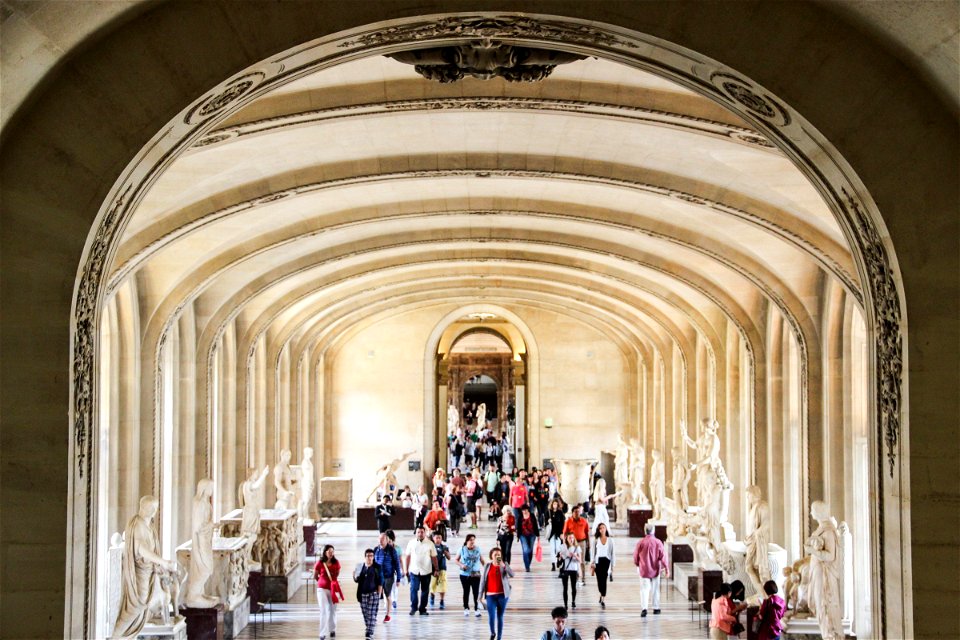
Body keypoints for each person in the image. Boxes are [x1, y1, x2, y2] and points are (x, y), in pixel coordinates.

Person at [479, 547, 515, 640]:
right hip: (490, 596)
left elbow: (512, 574)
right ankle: (492, 633)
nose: (497, 556)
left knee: (500, 616)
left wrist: (503, 565)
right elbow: (482, 582)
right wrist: (479, 596)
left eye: (499, 554)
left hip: (503, 595)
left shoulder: (504, 565)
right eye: (495, 554)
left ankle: (499, 637)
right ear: (491, 556)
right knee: (491, 616)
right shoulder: (487, 566)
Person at [633, 521, 667, 616]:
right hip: (656, 568)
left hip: (643, 569)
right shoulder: (658, 542)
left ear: (645, 531)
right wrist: (666, 568)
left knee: (644, 588)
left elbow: (635, 556)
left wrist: (637, 564)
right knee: (655, 588)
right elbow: (663, 556)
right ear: (653, 531)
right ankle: (656, 608)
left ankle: (644, 608)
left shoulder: (641, 542)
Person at [403, 526, 439, 616]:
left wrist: (437, 569)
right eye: (418, 532)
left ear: (425, 533)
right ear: (416, 533)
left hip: (426, 571)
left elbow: (434, 557)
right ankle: (413, 608)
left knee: (425, 591)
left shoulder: (430, 543)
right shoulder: (411, 543)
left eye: (422, 532)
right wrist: (405, 569)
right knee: (413, 589)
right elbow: (407, 556)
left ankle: (422, 609)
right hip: (414, 571)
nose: (420, 534)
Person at [353, 548, 383, 640]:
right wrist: (353, 576)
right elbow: (357, 580)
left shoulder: (377, 567)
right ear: (365, 557)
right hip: (362, 594)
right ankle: (369, 627)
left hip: (373, 594)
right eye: (368, 556)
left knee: (371, 613)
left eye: (371, 556)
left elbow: (381, 581)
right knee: (365, 614)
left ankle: (369, 632)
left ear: (373, 557)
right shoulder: (360, 567)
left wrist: (379, 594)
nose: (370, 558)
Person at [313, 544, 341, 640]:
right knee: (324, 610)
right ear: (325, 552)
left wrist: (332, 582)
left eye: (332, 552)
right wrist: (322, 582)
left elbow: (337, 574)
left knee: (333, 610)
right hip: (322, 589)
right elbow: (315, 575)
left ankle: (332, 629)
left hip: (333, 589)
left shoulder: (336, 562)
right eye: (329, 552)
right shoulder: (320, 563)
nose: (331, 553)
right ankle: (322, 633)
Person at [374, 532, 401, 622]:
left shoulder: (392, 550)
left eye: (382, 539)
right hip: (378, 576)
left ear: (386, 540)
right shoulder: (376, 549)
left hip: (388, 576)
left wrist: (398, 578)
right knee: (376, 595)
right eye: (379, 539)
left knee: (387, 595)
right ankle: (374, 614)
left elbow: (397, 564)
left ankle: (388, 615)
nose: (381, 541)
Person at [455, 533, 485, 617]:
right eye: (471, 540)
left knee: (476, 592)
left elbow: (482, 560)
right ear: (467, 541)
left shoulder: (478, 549)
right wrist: (462, 565)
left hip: (476, 574)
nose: (472, 542)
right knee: (466, 591)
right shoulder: (462, 549)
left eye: (473, 540)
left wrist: (486, 568)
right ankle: (466, 608)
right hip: (464, 574)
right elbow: (456, 560)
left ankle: (477, 609)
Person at [562, 504, 590, 585]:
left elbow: (587, 533)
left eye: (578, 511)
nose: (577, 513)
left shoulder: (584, 521)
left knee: (582, 561)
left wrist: (589, 544)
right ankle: (576, 577)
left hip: (582, 542)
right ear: (572, 513)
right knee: (574, 560)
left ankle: (583, 578)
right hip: (572, 543)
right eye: (575, 512)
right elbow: (564, 533)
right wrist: (565, 544)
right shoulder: (568, 521)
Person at [590, 522, 615, 608]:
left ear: (606, 529)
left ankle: (603, 597)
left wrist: (612, 566)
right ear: (599, 530)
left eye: (603, 528)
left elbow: (612, 553)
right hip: (598, 561)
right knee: (599, 580)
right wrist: (592, 562)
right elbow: (593, 552)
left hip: (606, 561)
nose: (602, 529)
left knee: (604, 579)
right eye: (600, 528)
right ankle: (601, 593)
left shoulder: (610, 540)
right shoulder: (596, 540)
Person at [557, 532, 582, 610]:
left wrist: (574, 555)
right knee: (565, 588)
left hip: (574, 569)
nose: (571, 539)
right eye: (569, 538)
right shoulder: (562, 547)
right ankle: (565, 604)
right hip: (565, 569)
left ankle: (573, 601)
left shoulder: (577, 547)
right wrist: (562, 556)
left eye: (572, 538)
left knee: (573, 587)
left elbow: (580, 560)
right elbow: (559, 559)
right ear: (566, 539)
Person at [429, 531, 451, 610]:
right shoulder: (430, 547)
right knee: (432, 585)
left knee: (443, 585)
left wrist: (446, 552)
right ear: (433, 538)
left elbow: (449, 558)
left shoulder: (444, 547)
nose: (438, 539)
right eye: (436, 538)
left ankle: (442, 600)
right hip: (432, 569)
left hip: (442, 569)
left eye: (440, 538)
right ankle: (432, 596)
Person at [517, 505, 541, 571]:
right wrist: (518, 536)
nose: (524, 511)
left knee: (530, 550)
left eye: (525, 510)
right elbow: (518, 527)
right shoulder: (520, 517)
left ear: (528, 510)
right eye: (523, 510)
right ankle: (527, 567)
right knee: (525, 550)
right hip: (523, 535)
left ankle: (528, 564)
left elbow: (535, 525)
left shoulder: (532, 515)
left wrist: (538, 535)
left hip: (532, 535)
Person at [547, 498, 566, 571]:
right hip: (551, 533)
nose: (555, 505)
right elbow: (546, 522)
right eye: (554, 504)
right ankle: (553, 564)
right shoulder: (549, 512)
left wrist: (562, 533)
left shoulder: (560, 513)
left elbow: (563, 523)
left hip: (558, 533)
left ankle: (558, 559)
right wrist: (548, 521)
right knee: (552, 549)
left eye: (556, 504)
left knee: (558, 548)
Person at [509, 474, 529, 539]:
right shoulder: (513, 488)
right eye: (517, 480)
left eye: (519, 480)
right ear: (515, 481)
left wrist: (527, 502)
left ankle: (522, 528)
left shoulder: (523, 487)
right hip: (514, 505)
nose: (518, 481)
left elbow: (526, 496)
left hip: (522, 505)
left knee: (522, 517)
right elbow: (510, 497)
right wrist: (510, 505)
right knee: (517, 517)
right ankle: (517, 529)